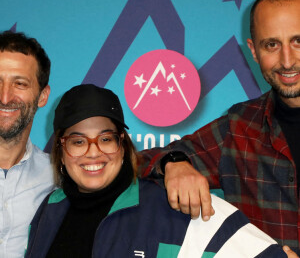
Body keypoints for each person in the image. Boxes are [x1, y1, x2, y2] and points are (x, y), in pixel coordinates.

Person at [25, 84, 287, 258]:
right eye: (78, 141)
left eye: (106, 139)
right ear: (61, 149)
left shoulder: (174, 204)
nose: (93, 152)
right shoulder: (50, 208)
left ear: (122, 145)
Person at [140, 0, 300, 256]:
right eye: (271, 44)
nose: (287, 61)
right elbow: (133, 163)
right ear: (253, 50)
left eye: (298, 41)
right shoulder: (239, 127)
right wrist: (172, 163)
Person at [0, 31, 54, 257]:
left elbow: (123, 169)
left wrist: (172, 161)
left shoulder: (59, 178)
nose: (5, 97)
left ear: (42, 96)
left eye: (19, 84)